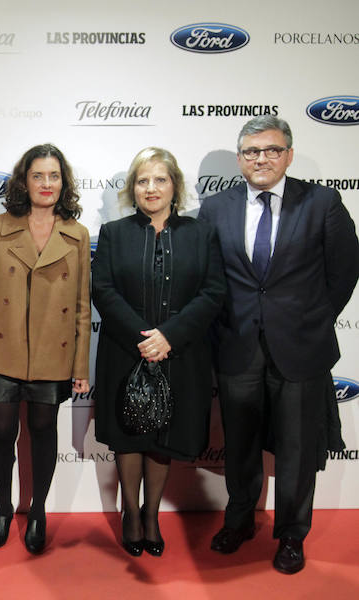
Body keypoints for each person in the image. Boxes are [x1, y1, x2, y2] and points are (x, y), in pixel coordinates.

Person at [199, 116, 359, 574]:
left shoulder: (322, 202)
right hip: (236, 344)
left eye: (271, 150)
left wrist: (313, 318)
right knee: (241, 443)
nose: (262, 158)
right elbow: (209, 278)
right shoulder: (215, 208)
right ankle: (241, 519)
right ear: (239, 160)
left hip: (301, 346)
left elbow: (345, 270)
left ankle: (291, 534)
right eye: (252, 151)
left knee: (296, 447)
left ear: (288, 154)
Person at [0, 144, 91, 554]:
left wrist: (80, 365)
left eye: (54, 176)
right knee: (1, 432)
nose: (46, 184)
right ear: (24, 181)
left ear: (63, 182)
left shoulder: (78, 234)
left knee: (43, 433)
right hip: (2, 353)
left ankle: (39, 512)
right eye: (38, 176)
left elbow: (84, 306)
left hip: (54, 355)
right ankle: (3, 507)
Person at [92, 147, 226, 557]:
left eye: (160, 180)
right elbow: (103, 290)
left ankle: (152, 514)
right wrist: (143, 337)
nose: (151, 188)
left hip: (180, 354)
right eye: (143, 180)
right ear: (133, 188)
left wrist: (169, 336)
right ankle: (131, 514)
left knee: (162, 438)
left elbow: (213, 291)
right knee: (129, 436)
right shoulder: (115, 234)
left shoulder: (200, 233)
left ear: (175, 186)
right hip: (125, 352)